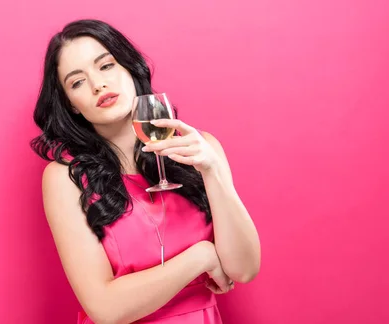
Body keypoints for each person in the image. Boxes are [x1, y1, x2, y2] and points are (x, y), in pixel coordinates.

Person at [30, 19, 261, 324]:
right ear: (72, 105)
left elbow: (244, 269)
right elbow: (105, 309)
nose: (98, 84)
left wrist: (213, 170)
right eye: (77, 82)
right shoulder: (65, 178)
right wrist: (201, 256)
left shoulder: (200, 148)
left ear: (128, 67)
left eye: (106, 66)